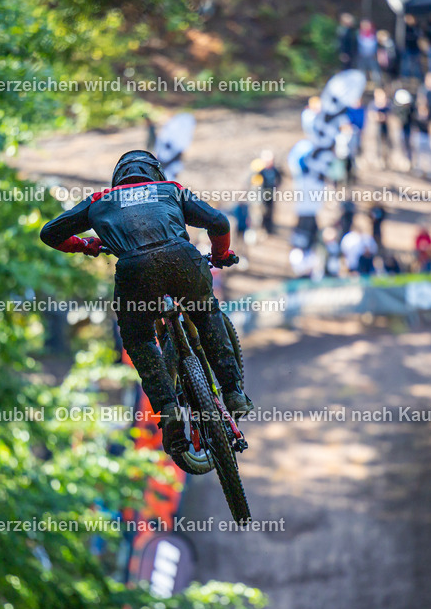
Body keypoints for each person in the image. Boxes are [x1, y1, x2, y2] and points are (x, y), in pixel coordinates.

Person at [39, 151, 250, 456]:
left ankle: (168, 410)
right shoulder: (170, 190)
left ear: (118, 179)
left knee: (138, 339)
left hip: (135, 273)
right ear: (156, 173)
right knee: (205, 314)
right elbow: (218, 222)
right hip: (183, 260)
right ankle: (233, 392)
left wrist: (85, 246)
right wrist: (220, 255)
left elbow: (50, 233)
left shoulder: (101, 200)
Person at [255, 150, 282, 235]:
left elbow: (280, 179)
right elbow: (254, 178)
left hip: (271, 193)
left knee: (270, 211)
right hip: (264, 193)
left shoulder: (275, 170)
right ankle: (262, 227)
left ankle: (269, 228)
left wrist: (276, 186)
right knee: (264, 210)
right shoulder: (262, 171)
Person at [371, 88, 393, 168]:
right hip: (376, 128)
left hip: (386, 128)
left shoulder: (387, 104)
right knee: (377, 145)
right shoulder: (373, 104)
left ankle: (386, 160)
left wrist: (383, 117)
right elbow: (372, 115)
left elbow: (390, 115)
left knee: (386, 145)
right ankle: (378, 160)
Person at [356, 19, 382, 85]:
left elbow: (378, 45)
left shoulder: (374, 34)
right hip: (361, 56)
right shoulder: (358, 34)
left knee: (375, 69)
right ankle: (361, 83)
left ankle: (377, 83)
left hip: (372, 55)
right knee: (362, 70)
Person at [401, 14, 423, 79]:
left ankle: (418, 77)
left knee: (417, 65)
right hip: (407, 48)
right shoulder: (405, 28)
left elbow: (419, 35)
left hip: (415, 48)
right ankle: (405, 77)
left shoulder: (416, 27)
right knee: (406, 64)